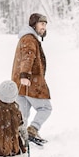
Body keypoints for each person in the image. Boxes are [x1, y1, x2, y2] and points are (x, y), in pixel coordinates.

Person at [11, 13, 52, 145]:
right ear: (34, 25)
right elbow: (28, 57)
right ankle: (33, 130)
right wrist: (25, 75)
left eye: (45, 24)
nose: (44, 27)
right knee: (45, 108)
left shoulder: (27, 38)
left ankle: (19, 139)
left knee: (23, 114)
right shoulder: (29, 39)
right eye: (42, 24)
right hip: (29, 82)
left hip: (20, 84)